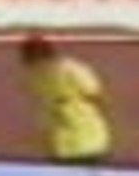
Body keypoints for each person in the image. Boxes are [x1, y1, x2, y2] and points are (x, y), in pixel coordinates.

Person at [18, 34, 114, 165]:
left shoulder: (70, 68)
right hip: (61, 138)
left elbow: (95, 94)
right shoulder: (35, 75)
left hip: (84, 132)